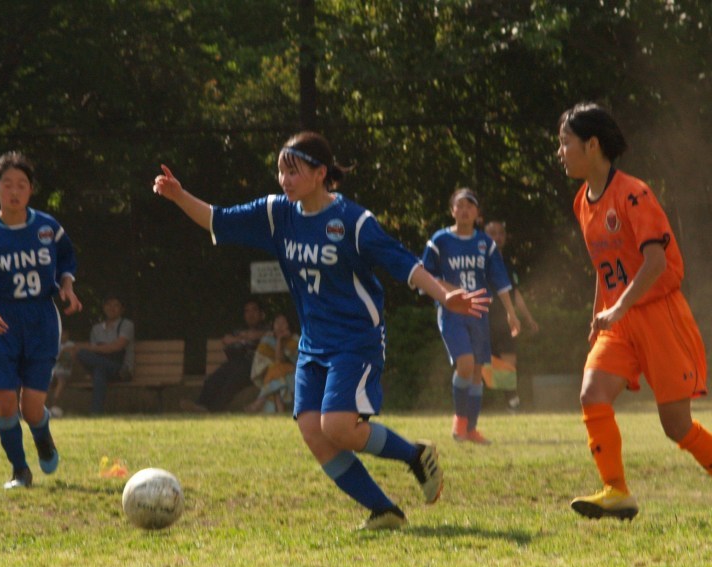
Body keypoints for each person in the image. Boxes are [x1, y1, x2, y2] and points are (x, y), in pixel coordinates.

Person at [153, 131, 489, 530]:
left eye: (293, 171)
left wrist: (443, 295)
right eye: (280, 171)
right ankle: (384, 510)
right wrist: (178, 196)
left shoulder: (352, 221)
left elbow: (403, 262)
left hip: (357, 338)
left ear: (320, 173)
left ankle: (415, 455)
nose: (284, 180)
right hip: (314, 342)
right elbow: (217, 219)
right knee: (314, 432)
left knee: (337, 426)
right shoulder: (278, 213)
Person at [557, 102, 711, 520]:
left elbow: (656, 262)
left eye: (565, 142)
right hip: (618, 321)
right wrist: (598, 315)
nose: (561, 152)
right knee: (592, 393)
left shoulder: (633, 192)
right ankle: (616, 490)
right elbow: (603, 267)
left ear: (592, 145)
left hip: (658, 314)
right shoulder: (581, 202)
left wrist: (620, 306)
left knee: (676, 425)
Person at [0, 151, 82, 489]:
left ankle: (43, 437)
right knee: (6, 403)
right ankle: (20, 471)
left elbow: (67, 259)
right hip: (1, 322)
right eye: (7, 184)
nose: (14, 191)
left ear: (30, 190)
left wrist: (66, 286)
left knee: (32, 407)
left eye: (21, 184)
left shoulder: (48, 228)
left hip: (41, 319)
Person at [422, 189, 520, 445]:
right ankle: (459, 421)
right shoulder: (440, 240)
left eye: (470, 206)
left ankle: (472, 429)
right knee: (465, 365)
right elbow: (425, 276)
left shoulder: (485, 243)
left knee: (477, 372)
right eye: (459, 205)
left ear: (477, 213)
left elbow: (500, 279)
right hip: (452, 312)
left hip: (478, 313)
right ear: (452, 210)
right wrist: (453, 292)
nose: (464, 210)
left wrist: (511, 313)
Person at [483, 220, 540, 411]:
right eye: (492, 233)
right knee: (484, 363)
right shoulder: (478, 263)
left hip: (506, 320)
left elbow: (515, 294)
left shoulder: (507, 265)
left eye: (500, 233)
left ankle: (511, 403)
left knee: (508, 361)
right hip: (482, 319)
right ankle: (483, 402)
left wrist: (528, 318)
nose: (497, 237)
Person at [180, 299, 268, 413]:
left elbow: (266, 334)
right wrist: (245, 337)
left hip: (256, 367)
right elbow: (226, 340)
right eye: (247, 311)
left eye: (254, 310)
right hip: (237, 363)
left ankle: (213, 410)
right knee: (215, 377)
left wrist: (246, 337)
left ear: (262, 314)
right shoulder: (240, 329)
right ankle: (200, 405)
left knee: (232, 381)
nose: (250, 314)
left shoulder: (267, 328)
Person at [71, 293, 135, 415]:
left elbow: (117, 346)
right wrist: (94, 348)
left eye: (116, 305)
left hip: (123, 370)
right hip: (105, 367)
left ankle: (95, 414)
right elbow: (94, 352)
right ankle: (96, 414)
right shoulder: (96, 329)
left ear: (122, 309)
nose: (111, 308)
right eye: (108, 305)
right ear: (104, 307)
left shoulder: (127, 325)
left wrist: (93, 347)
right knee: (95, 366)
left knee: (94, 365)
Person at [246, 313, 300, 414]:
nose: (279, 326)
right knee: (275, 372)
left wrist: (279, 340)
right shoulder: (267, 339)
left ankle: (260, 401)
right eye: (277, 323)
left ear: (289, 325)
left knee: (276, 371)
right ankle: (280, 410)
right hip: (273, 376)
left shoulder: (295, 339)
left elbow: (280, 360)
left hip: (295, 376)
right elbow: (261, 363)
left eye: (283, 323)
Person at [48, 328, 75, 414]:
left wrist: (62, 353)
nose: (62, 335)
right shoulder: (54, 344)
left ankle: (55, 402)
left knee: (61, 380)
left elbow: (71, 358)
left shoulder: (71, 345)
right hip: (53, 371)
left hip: (65, 371)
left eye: (64, 333)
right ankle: (45, 405)